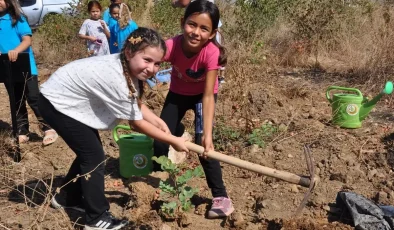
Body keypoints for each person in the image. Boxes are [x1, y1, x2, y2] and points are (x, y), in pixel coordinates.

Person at [39, 28, 189, 230]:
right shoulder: (116, 76)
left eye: (157, 63)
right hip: (57, 103)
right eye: (147, 60)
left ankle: (68, 197)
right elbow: (135, 123)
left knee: (89, 152)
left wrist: (156, 120)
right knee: (93, 156)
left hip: (66, 99)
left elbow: (134, 101)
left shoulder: (127, 67)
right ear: (128, 52)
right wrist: (173, 140)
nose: (152, 68)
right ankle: (96, 219)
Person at [153, 0, 234, 219]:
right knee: (160, 138)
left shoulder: (211, 53)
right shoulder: (172, 45)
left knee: (203, 145)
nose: (196, 32)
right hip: (177, 95)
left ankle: (221, 197)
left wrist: (207, 135)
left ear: (212, 33)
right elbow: (151, 60)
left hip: (201, 97)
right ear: (182, 22)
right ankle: (159, 177)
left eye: (204, 28)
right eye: (192, 24)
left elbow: (208, 96)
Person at [0, 0, 58, 145]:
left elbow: (27, 40)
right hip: (7, 68)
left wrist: (16, 51)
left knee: (33, 98)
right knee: (16, 100)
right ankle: (22, 130)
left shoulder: (17, 18)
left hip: (25, 66)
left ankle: (49, 128)